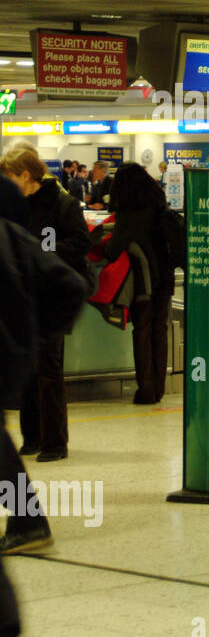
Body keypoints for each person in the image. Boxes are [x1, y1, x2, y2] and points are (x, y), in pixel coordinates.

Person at [0, 174, 87, 637]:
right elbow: (67, 287)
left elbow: (70, 285)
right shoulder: (15, 235)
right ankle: (29, 522)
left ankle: (29, 522)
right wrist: (31, 340)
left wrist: (35, 339)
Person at [0, 148, 91, 462]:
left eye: (9, 177)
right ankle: (31, 437)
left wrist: (43, 253)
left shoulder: (61, 203)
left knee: (49, 371)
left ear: (25, 175)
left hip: (49, 296)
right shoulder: (13, 207)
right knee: (28, 369)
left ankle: (55, 442)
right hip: (24, 299)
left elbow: (81, 242)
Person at [103, 163, 176, 404]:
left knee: (142, 331)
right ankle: (159, 388)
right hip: (164, 277)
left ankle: (146, 389)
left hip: (141, 282)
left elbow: (114, 250)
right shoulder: (158, 205)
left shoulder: (127, 212)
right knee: (159, 330)